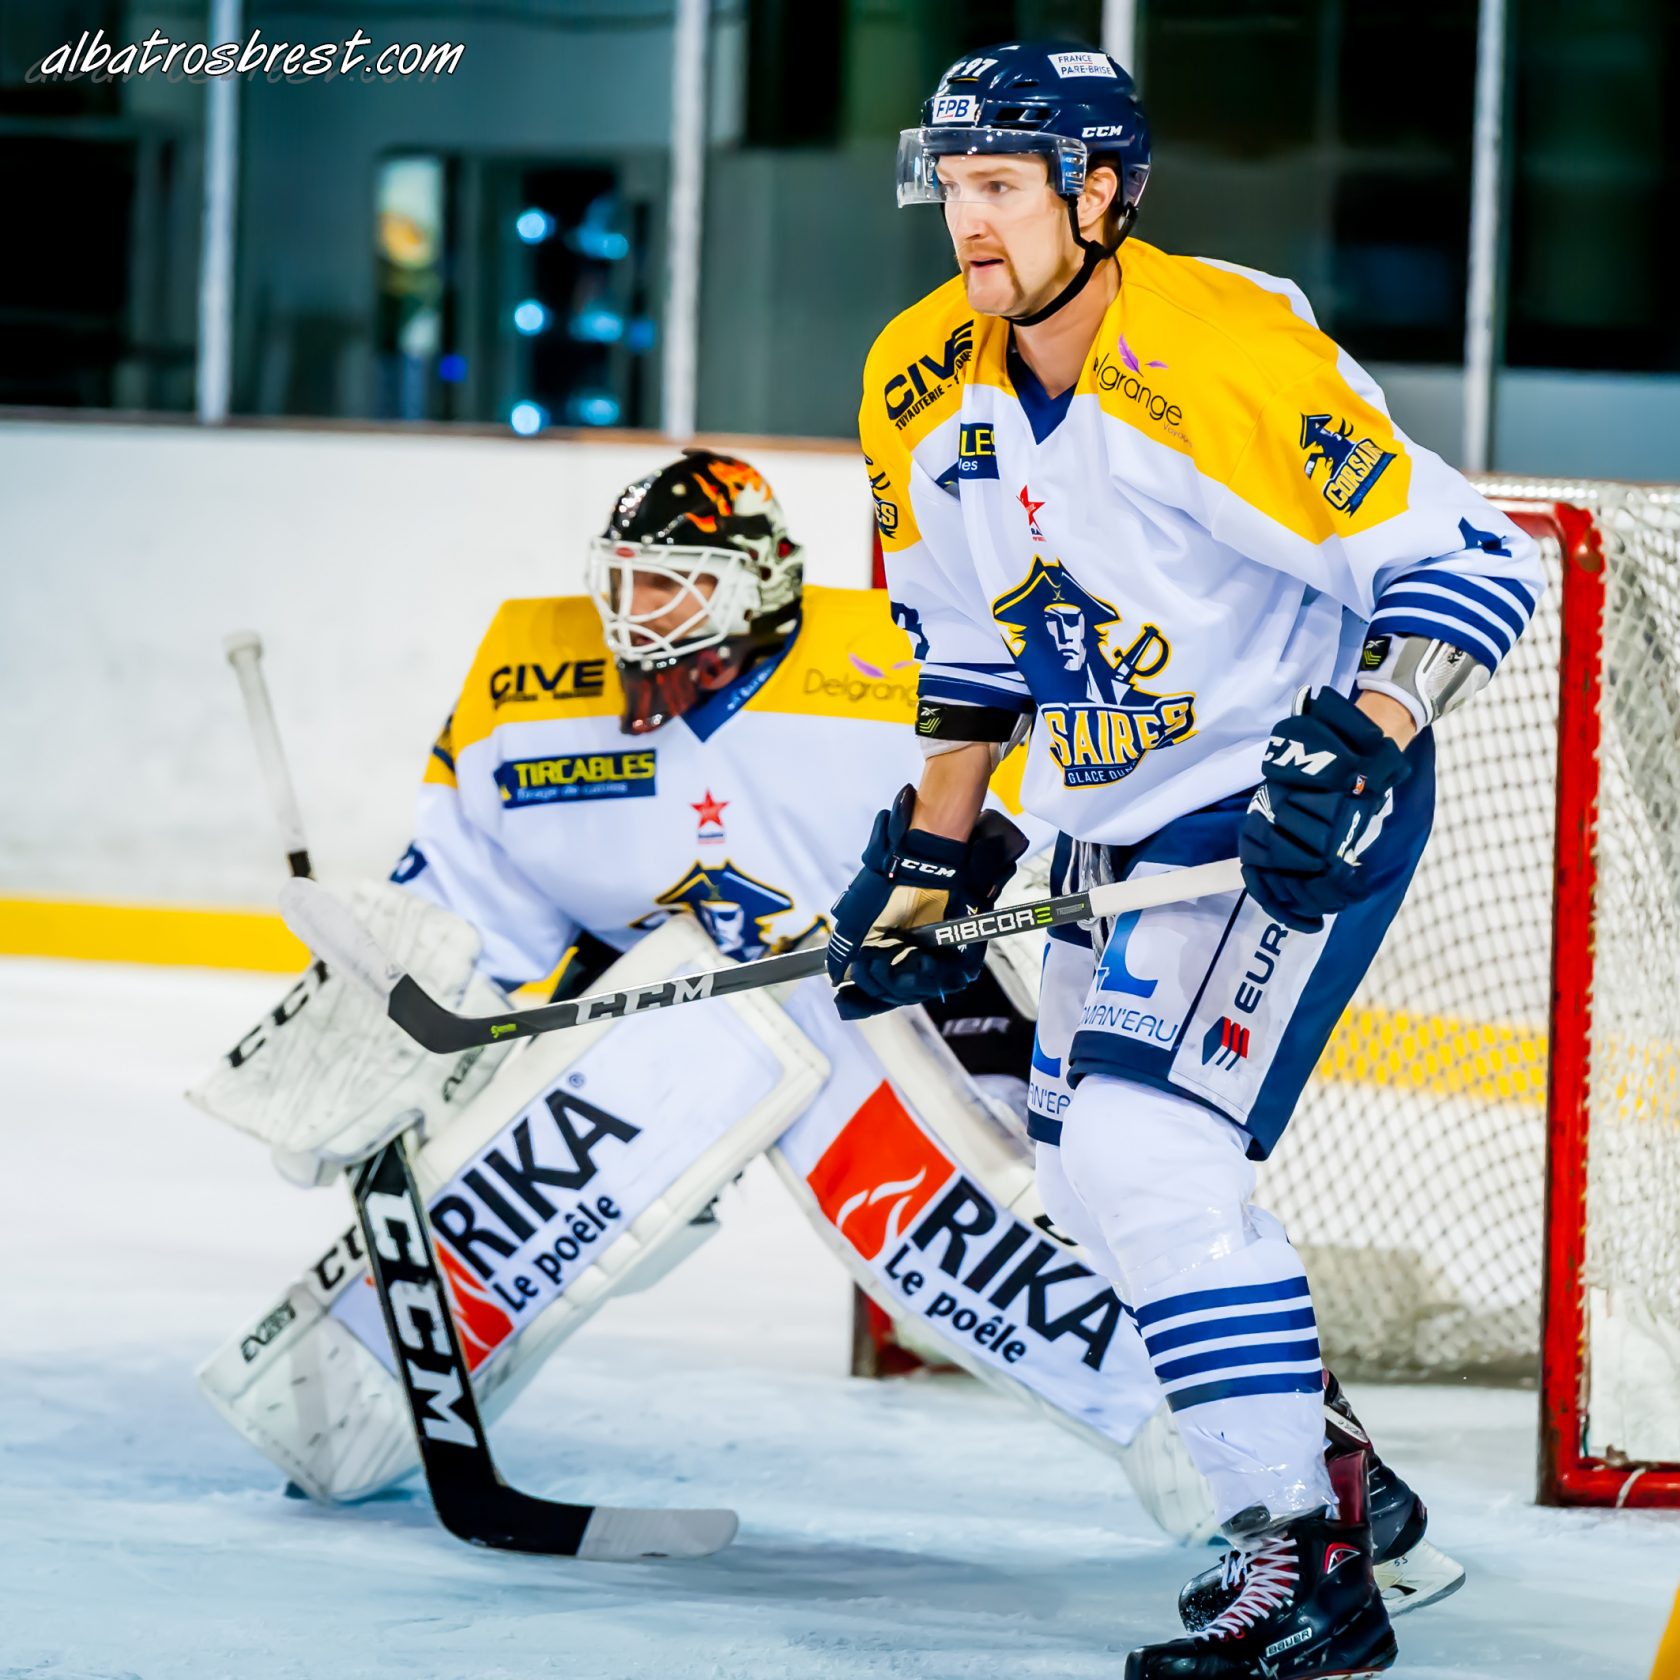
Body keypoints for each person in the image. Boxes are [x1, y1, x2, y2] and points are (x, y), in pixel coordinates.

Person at [829, 41, 1540, 1679]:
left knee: (1148, 1152)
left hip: (1282, 809)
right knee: (1091, 1177)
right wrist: (934, 854)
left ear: (1100, 192)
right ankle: (1339, 1480)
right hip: (1112, 825)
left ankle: (1306, 1567)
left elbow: (1474, 561)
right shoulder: (914, 376)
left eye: (1003, 186)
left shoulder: (1223, 355)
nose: (969, 221)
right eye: (953, 186)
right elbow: (969, 652)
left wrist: (1363, 739)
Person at [193, 447, 1217, 1545]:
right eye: (625, 580)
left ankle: (1219, 1435)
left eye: (673, 585)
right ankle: (340, 1390)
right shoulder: (526, 691)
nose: (636, 614)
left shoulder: (907, 659)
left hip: (906, 991)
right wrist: (390, 1009)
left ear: (761, 582)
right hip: (659, 1003)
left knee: (974, 1228)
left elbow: (1058, 823)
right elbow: (467, 908)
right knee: (528, 1165)